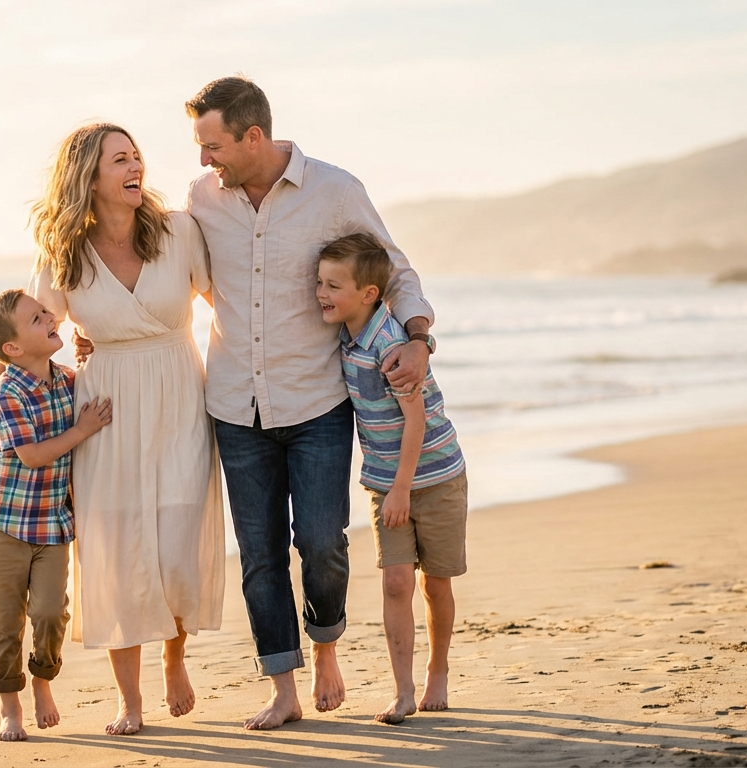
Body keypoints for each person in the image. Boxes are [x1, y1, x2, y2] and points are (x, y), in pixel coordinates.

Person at [184, 76, 439, 730]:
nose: (204, 159)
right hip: (235, 405)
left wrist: (417, 339)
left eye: (213, 145)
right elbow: (179, 279)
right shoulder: (201, 200)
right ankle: (284, 688)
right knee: (261, 553)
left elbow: (396, 272)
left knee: (321, 542)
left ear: (253, 136)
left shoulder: (334, 190)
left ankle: (326, 651)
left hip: (318, 404)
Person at [0, 123, 225, 736]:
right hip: (106, 408)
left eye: (137, 155)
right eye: (120, 159)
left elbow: (228, 302)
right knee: (118, 556)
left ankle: (174, 658)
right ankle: (130, 702)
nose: (135, 165)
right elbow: (31, 325)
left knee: (174, 546)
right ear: (89, 178)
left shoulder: (178, 231)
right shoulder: (64, 253)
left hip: (177, 398)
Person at [315, 233, 467, 725]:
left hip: (436, 475)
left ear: (369, 295)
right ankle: (403, 691)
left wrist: (402, 488)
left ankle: (437, 670)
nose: (321, 293)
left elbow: (417, 422)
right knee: (397, 583)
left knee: (436, 583)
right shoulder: (343, 335)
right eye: (320, 282)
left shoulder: (390, 346)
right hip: (386, 482)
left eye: (332, 285)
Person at [0, 288, 113, 742]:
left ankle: (42, 682)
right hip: (5, 522)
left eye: (45, 312)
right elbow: (31, 456)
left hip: (53, 523)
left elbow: (93, 374)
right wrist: (82, 430)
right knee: (5, 619)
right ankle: (9, 707)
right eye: (36, 318)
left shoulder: (68, 380)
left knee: (52, 613)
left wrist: (92, 353)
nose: (51, 317)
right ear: (12, 349)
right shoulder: (9, 391)